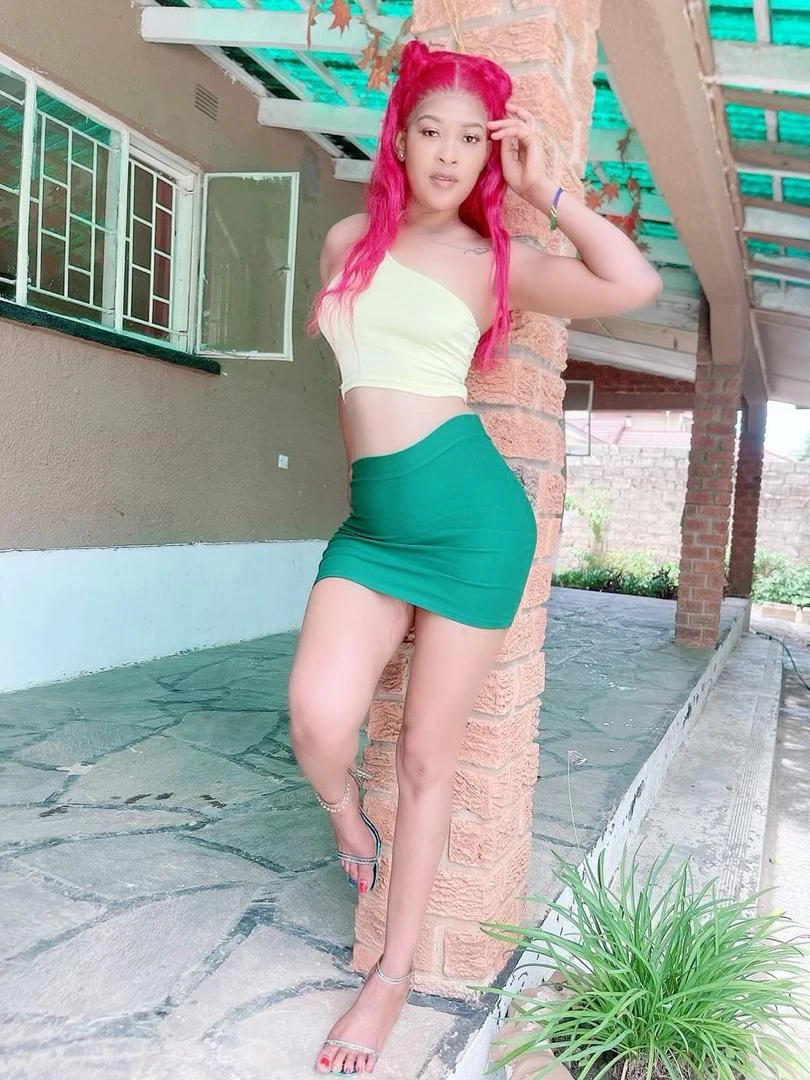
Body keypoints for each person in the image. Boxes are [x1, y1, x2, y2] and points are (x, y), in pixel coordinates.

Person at [288, 39, 661, 1076]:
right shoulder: (346, 241)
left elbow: (631, 282)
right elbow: (357, 385)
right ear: (400, 139)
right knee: (317, 720)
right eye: (431, 131)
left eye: (470, 139)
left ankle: (393, 973)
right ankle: (347, 824)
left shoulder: (494, 261)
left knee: (425, 757)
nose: (449, 155)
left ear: (489, 155)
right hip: (374, 529)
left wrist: (550, 193)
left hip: (472, 530)